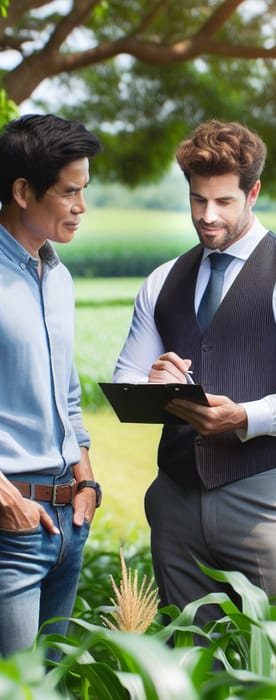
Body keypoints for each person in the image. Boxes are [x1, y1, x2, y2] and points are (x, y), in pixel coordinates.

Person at [112, 119, 276, 634]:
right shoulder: (162, 281)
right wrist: (154, 381)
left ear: (253, 192)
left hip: (261, 498)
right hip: (175, 501)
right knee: (193, 663)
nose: (207, 216)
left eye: (223, 202)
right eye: (197, 201)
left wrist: (245, 416)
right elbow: (125, 382)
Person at [0, 114, 103, 656]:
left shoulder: (58, 275)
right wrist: (6, 501)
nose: (81, 207)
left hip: (68, 519)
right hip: (9, 525)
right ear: (22, 191)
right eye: (69, 193)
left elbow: (67, 392)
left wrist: (86, 485)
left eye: (84, 191)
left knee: (56, 686)